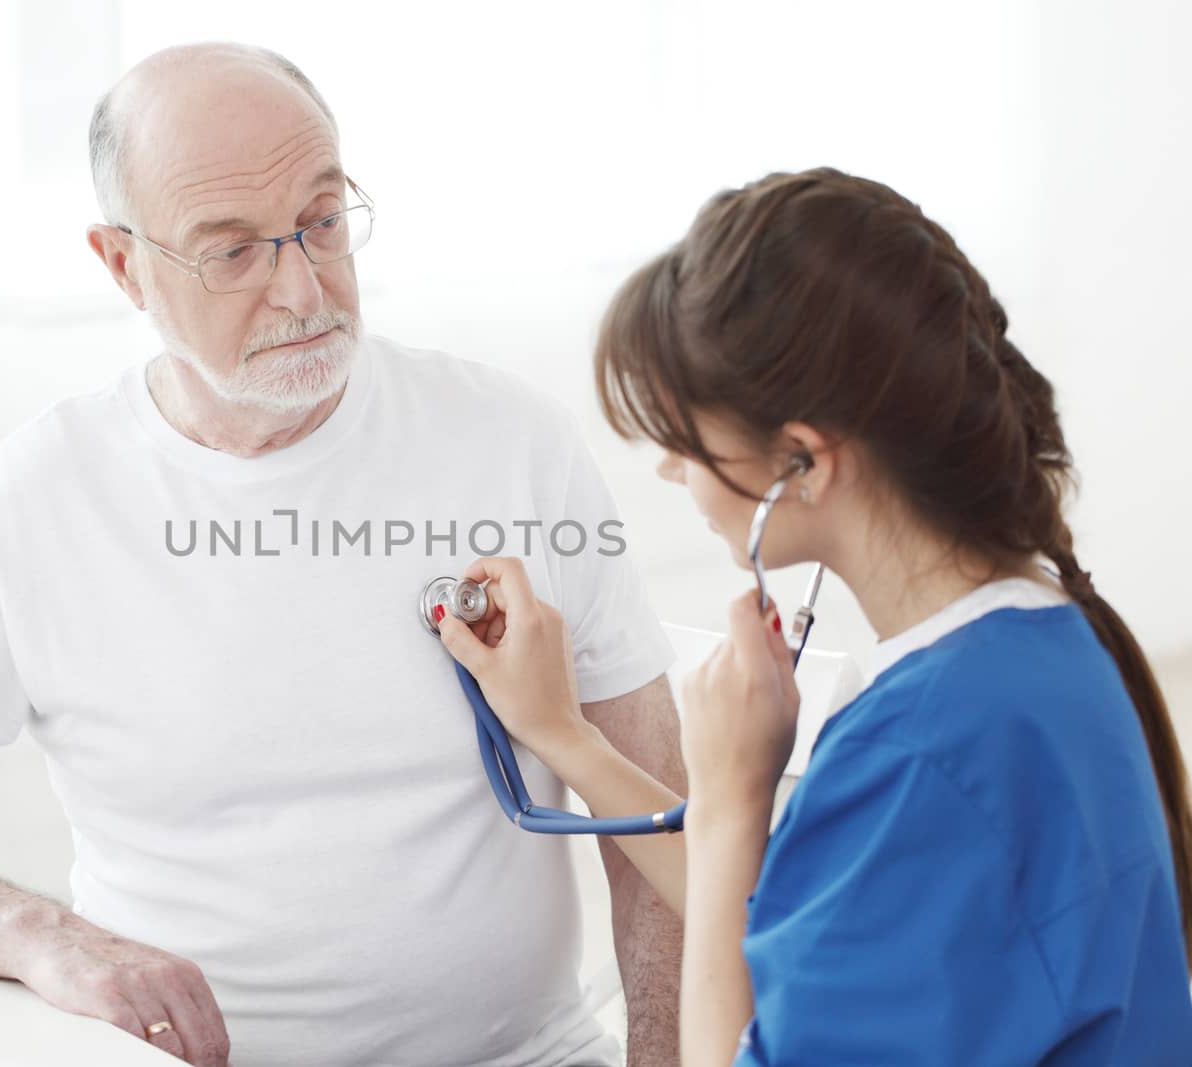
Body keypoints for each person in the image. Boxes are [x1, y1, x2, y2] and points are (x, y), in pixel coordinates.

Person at [0, 42, 689, 1067]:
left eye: (323, 222)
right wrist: (39, 939)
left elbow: (656, 808)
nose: (302, 287)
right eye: (232, 250)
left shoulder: (513, 444)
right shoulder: (27, 508)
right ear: (123, 266)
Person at [435, 167, 1192, 1064]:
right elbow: (793, 920)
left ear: (801, 461)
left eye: (684, 439)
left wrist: (728, 796)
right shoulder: (1039, 642)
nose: (673, 474)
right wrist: (566, 736)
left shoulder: (930, 754)